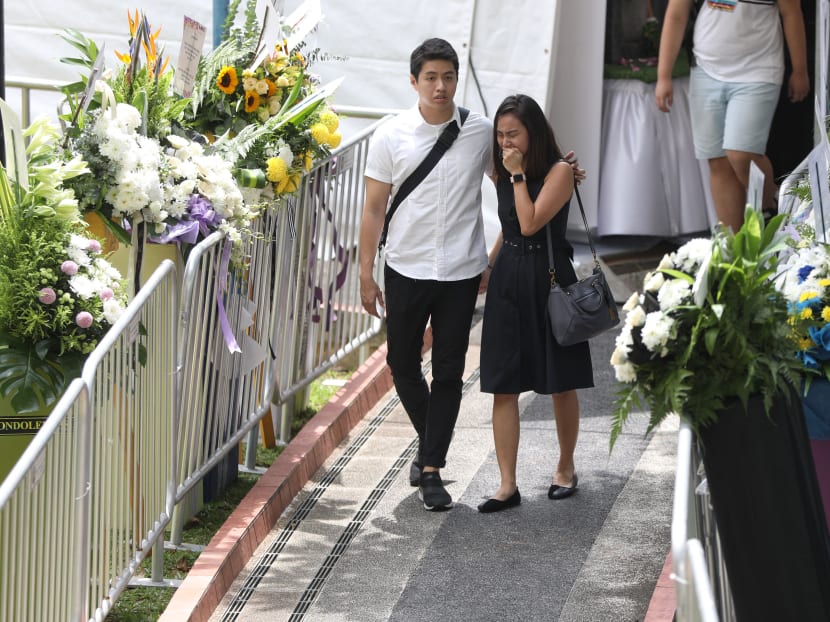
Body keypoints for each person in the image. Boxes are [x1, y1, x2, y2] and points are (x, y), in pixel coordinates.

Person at [358, 38, 493, 512]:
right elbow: (373, 209)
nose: (440, 86)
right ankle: (431, 441)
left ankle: (431, 468)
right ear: (414, 81)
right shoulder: (390, 135)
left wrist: (495, 255)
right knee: (402, 364)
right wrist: (365, 273)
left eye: (448, 77)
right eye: (431, 77)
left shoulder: (480, 132)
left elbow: (512, 180)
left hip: (461, 270)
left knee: (450, 372)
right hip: (406, 266)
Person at [477, 94, 594, 513]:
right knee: (503, 382)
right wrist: (489, 266)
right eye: (500, 135)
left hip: (548, 278)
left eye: (514, 134)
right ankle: (507, 484)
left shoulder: (559, 171)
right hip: (508, 278)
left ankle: (565, 467)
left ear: (534, 132)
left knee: (560, 380)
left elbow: (529, 223)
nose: (505, 143)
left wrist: (517, 176)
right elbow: (508, 227)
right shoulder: (502, 169)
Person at [655, 0, 809, 232]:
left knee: (740, 153)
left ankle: (773, 204)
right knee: (718, 160)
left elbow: (791, 13)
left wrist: (800, 70)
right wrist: (663, 75)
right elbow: (676, 14)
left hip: (759, 70)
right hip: (706, 69)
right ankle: (732, 244)